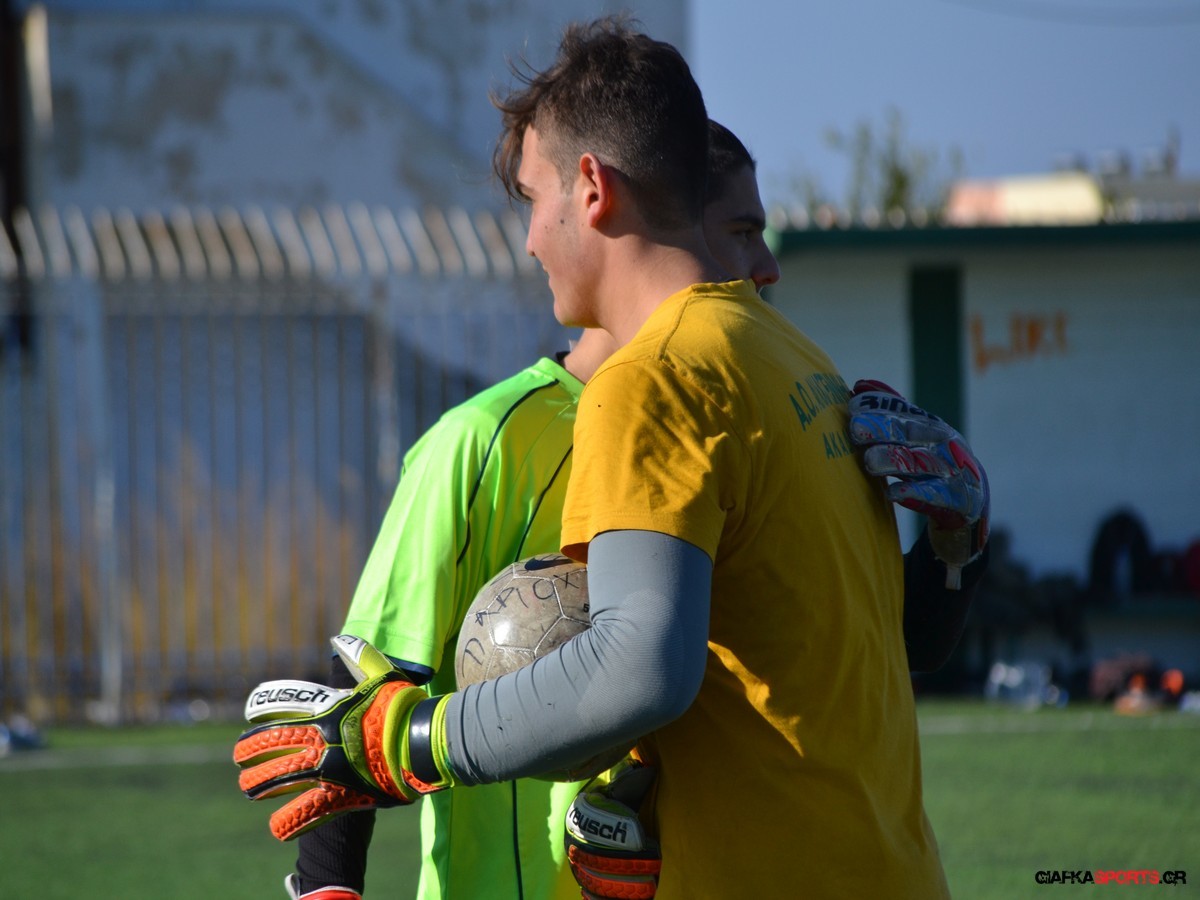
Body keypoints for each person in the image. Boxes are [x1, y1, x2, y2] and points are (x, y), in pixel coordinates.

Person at [236, 18, 990, 899]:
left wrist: (411, 742)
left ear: (591, 188)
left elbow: (638, 669)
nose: (529, 239)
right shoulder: (798, 360)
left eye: (532, 199)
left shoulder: (653, 379)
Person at [279, 119, 783, 900]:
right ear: (674, 229)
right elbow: (361, 693)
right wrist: (327, 887)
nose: (766, 266)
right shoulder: (479, 442)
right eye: (742, 232)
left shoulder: (742, 425)